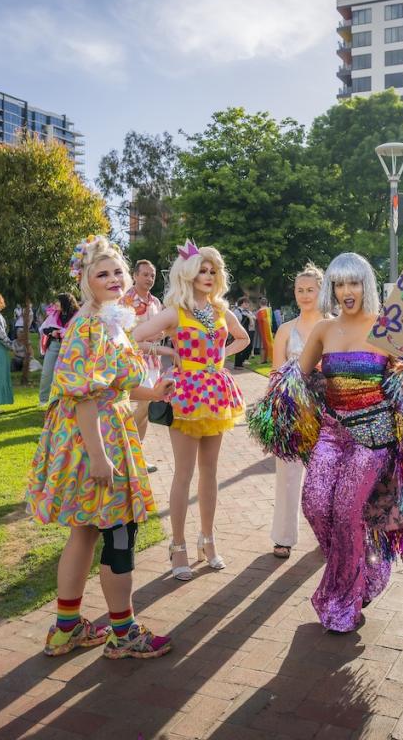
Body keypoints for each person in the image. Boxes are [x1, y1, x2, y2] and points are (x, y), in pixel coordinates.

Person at [248, 252, 403, 633]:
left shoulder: (387, 329)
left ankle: (342, 600)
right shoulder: (324, 330)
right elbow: (299, 375)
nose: (347, 291)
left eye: (354, 283)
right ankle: (365, 570)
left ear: (367, 285)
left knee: (346, 511)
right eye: (340, 284)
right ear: (333, 288)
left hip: (372, 438)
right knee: (314, 505)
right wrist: (279, 407)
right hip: (331, 433)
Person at [26, 236, 176, 659]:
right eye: (102, 273)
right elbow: (86, 398)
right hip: (96, 438)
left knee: (85, 530)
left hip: (99, 432)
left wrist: (154, 392)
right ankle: (124, 633)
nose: (112, 279)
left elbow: (116, 384)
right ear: (86, 282)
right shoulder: (91, 324)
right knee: (118, 532)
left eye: (117, 272)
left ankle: (66, 628)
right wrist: (99, 456)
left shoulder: (110, 320)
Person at [131, 240, 250, 582]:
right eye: (202, 269)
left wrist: (220, 359)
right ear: (188, 274)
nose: (209, 275)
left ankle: (208, 540)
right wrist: (167, 353)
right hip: (184, 395)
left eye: (213, 270)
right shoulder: (175, 311)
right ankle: (178, 544)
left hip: (214, 393)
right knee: (184, 473)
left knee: (210, 472)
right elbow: (134, 336)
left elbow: (241, 338)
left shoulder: (220, 311)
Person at [269, 263, 327, 560]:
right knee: (288, 476)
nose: (305, 296)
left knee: (324, 476)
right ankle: (283, 537)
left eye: (310, 290)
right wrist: (278, 409)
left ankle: (326, 534)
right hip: (292, 410)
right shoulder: (285, 329)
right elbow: (276, 371)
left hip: (327, 412)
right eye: (300, 290)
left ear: (321, 291)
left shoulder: (333, 326)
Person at [120, 260, 164, 452]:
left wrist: (159, 334)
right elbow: (123, 332)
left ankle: (138, 453)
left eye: (152, 275)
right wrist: (151, 335)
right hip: (133, 358)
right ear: (135, 275)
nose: (149, 279)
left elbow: (162, 328)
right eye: (145, 274)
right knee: (143, 403)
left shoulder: (156, 302)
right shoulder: (125, 300)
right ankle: (124, 445)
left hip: (154, 360)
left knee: (147, 408)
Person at [37, 292, 78, 406]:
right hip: (54, 345)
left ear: (65, 302)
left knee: (67, 373)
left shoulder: (78, 315)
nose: (55, 303)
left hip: (70, 346)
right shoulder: (54, 314)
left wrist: (67, 332)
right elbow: (44, 329)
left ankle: (65, 399)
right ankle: (43, 400)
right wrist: (52, 332)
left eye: (58, 301)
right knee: (47, 372)